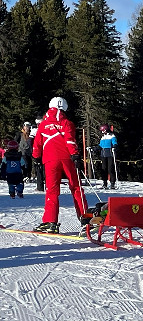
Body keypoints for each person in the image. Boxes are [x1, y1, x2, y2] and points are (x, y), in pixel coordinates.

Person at [31, 97, 91, 234]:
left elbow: (37, 144)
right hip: (67, 158)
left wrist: (36, 158)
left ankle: (50, 222)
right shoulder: (66, 123)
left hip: (50, 159)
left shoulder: (43, 124)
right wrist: (75, 155)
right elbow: (70, 140)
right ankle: (85, 219)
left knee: (52, 190)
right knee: (76, 187)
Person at [98, 124, 118, 189]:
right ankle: (105, 183)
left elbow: (114, 142)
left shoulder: (112, 136)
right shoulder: (103, 137)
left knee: (110, 169)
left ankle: (112, 183)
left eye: (103, 130)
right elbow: (100, 145)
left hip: (110, 154)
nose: (102, 132)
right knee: (104, 169)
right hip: (103, 155)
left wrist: (114, 147)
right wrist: (93, 148)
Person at [30, 116, 45, 191]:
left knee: (39, 170)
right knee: (43, 169)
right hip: (44, 151)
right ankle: (43, 186)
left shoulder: (35, 130)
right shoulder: (45, 128)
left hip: (39, 152)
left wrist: (33, 152)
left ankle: (40, 186)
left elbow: (31, 142)